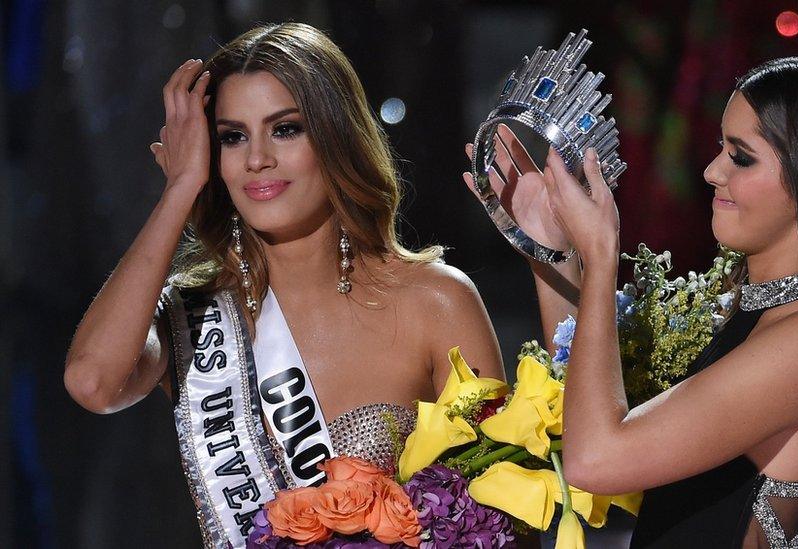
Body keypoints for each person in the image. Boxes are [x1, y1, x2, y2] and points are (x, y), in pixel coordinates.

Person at [464, 53, 798, 548]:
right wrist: (554, 255)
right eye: (720, 148)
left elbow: (596, 460)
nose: (712, 171)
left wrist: (603, 256)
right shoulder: (758, 313)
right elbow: (588, 408)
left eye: (741, 156)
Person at [64, 22, 504, 547]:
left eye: (286, 128)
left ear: (336, 136)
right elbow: (92, 382)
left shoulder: (436, 302)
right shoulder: (193, 318)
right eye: (232, 137)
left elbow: (500, 525)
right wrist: (180, 191)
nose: (256, 160)